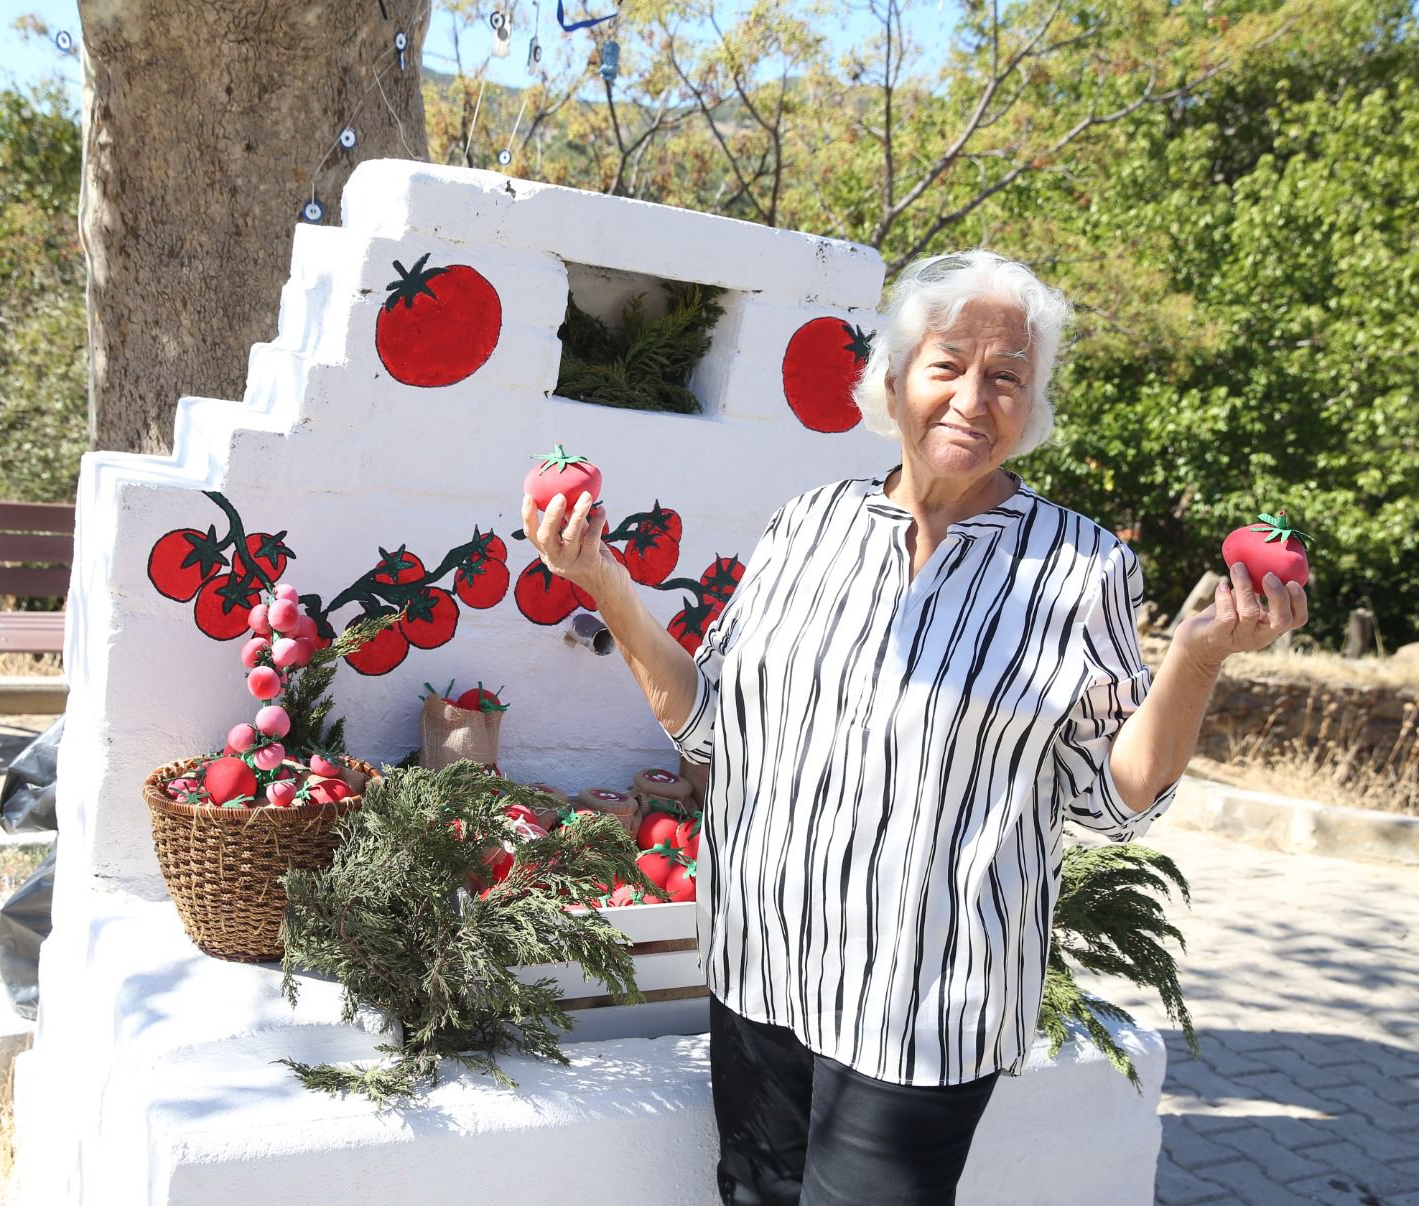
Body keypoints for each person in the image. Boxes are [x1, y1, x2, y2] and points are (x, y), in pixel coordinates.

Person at [520, 249, 1308, 1206]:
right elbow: (710, 723)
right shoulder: (807, 526)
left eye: (1006, 375)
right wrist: (605, 583)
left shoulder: (1082, 567)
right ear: (893, 380)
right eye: (948, 365)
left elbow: (1117, 798)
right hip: (762, 965)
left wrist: (1196, 659)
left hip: (926, 1004)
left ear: (1031, 405)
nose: (974, 398)